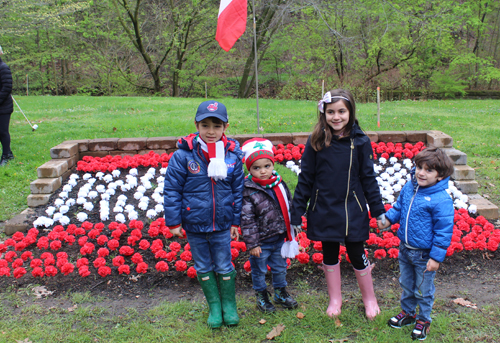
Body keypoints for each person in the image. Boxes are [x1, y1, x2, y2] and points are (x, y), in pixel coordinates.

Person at [290, 89, 386, 320]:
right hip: (324, 208)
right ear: (324, 113)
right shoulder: (316, 142)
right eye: (331, 112)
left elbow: (368, 179)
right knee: (330, 253)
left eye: (341, 111)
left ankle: (369, 299)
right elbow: (306, 180)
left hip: (352, 209)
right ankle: (335, 299)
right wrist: (296, 214)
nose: (336, 117)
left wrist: (378, 210)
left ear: (350, 112)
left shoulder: (360, 142)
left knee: (357, 252)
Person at [163, 100, 244, 328]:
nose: (211, 131)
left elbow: (238, 191)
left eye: (216, 126)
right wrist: (174, 221)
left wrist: (235, 221)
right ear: (196, 125)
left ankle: (229, 305)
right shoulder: (183, 156)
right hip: (194, 223)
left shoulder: (232, 156)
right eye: (205, 125)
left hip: (222, 224)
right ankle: (214, 307)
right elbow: (172, 189)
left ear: (225, 127)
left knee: (224, 264)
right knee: (203, 265)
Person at [378, 146, 454, 341]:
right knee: (406, 284)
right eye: (419, 167)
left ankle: (423, 320)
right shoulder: (410, 187)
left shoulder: (441, 199)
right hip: (405, 249)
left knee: (423, 289)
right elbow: (399, 207)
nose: (421, 173)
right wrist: (388, 220)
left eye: (429, 170)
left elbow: (443, 231)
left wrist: (436, 258)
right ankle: (408, 313)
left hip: (424, 255)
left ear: (440, 175)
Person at [240, 138, 298, 313]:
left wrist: (295, 223)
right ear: (249, 169)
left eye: (267, 166)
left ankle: (280, 291)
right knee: (259, 270)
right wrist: (253, 244)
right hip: (261, 242)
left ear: (273, 165)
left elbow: (289, 204)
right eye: (256, 168)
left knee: (280, 267)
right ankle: (262, 295)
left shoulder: (279, 184)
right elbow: (247, 219)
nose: (263, 171)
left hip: (280, 237)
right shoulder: (248, 190)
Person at [0, 45, 14, 167]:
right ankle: (8, 152)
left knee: (3, 131)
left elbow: (7, 87)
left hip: (3, 107)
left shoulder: (3, 68)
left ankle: (5, 156)